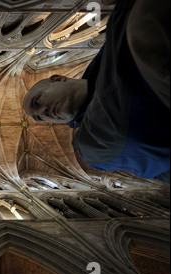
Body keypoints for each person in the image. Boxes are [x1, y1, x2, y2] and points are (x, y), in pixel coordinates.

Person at [23, 0, 170, 183]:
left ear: (58, 78)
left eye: (37, 102)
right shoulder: (90, 146)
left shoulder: (108, 55)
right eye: (40, 118)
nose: (43, 113)